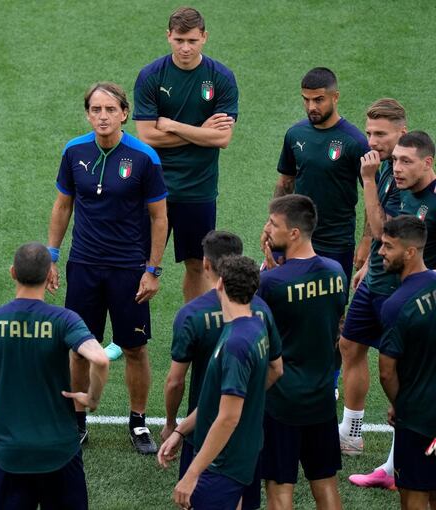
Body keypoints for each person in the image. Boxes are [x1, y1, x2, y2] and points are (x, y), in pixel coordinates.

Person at [46, 81, 168, 454]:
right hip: (83, 265)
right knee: (80, 348)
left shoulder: (145, 157)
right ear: (88, 114)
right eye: (96, 110)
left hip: (128, 268)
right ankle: (78, 421)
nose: (103, 116)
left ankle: (138, 422)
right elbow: (63, 205)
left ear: (124, 114)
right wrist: (52, 255)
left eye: (110, 110)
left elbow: (159, 217)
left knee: (135, 348)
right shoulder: (73, 151)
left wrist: (153, 269)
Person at [0, 242, 109, 510]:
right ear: (49, 276)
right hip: (61, 451)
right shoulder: (66, 319)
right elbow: (99, 358)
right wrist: (92, 398)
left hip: (10, 453)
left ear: (12, 272)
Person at [162, 231, 282, 509]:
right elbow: (276, 370)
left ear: (219, 283)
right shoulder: (256, 321)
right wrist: (181, 430)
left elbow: (227, 417)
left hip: (221, 460)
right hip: (245, 448)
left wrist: (192, 473)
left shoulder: (234, 343)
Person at [133, 6, 238, 303]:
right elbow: (148, 136)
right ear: (168, 37)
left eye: (192, 40)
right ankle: (128, 337)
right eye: (179, 40)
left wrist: (174, 125)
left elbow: (223, 137)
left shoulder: (221, 78)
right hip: (152, 188)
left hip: (198, 189)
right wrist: (200, 133)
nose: (185, 47)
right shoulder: (151, 76)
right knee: (138, 263)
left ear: (204, 37)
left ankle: (194, 332)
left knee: (197, 264)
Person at [259, 195, 346, 509]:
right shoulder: (337, 272)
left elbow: (264, 331)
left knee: (280, 487)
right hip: (321, 396)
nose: (267, 229)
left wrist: (268, 273)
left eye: (273, 224)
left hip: (283, 400)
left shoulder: (270, 283)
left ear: (294, 233)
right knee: (324, 483)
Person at [337, 100, 406, 479]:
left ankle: (399, 460)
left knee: (395, 370)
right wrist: (365, 259)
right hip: (376, 274)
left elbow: (384, 228)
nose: (372, 140)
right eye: (369, 132)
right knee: (350, 343)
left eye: (380, 134)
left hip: (398, 287)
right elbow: (373, 217)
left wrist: (366, 179)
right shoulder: (383, 164)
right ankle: (352, 431)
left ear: (401, 131)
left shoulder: (400, 173)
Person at [273, 67, 369, 279]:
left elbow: (374, 196)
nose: (311, 107)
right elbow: (285, 183)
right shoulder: (295, 134)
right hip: (296, 235)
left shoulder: (355, 142)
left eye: (318, 100)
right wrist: (272, 223)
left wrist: (366, 241)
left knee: (333, 308)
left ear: (335, 97)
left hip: (336, 241)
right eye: (306, 100)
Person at [376, 216, 436, 509]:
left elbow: (386, 372)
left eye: (388, 246)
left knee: (413, 494)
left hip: (418, 419)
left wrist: (401, 405)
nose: (380, 253)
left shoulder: (396, 305)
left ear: (410, 252)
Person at [396, 131, 436, 265]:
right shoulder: (404, 187)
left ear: (427, 163)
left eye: (406, 161)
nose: (396, 168)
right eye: (395, 159)